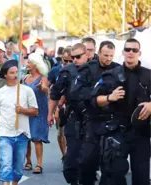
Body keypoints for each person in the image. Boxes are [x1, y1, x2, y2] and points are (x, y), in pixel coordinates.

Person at [91, 38, 151, 185]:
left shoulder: (148, 75)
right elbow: (94, 99)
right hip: (116, 132)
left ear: (139, 53)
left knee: (142, 179)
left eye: (134, 50)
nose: (131, 53)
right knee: (114, 176)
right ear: (123, 52)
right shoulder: (110, 75)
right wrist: (109, 97)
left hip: (141, 132)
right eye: (128, 49)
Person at [74, 41, 120, 185]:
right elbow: (76, 92)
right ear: (98, 53)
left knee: (111, 163)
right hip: (92, 120)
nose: (108, 58)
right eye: (105, 55)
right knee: (87, 161)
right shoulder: (88, 69)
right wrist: (95, 96)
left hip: (112, 121)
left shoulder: (119, 70)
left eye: (111, 56)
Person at [0, 60, 38, 185]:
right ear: (5, 75)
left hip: (22, 134)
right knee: (6, 164)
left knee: (18, 169)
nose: (15, 75)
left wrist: (22, 110)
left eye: (16, 72)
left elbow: (35, 111)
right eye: (12, 73)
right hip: (5, 134)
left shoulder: (27, 91)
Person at [48, 43, 88, 185]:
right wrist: (50, 114)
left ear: (86, 55)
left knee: (89, 160)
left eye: (78, 57)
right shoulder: (66, 72)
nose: (75, 60)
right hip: (74, 117)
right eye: (73, 57)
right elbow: (55, 93)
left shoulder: (96, 70)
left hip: (92, 119)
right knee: (70, 164)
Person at [23, 52, 50, 174]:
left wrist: (41, 88)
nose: (27, 64)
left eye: (29, 62)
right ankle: (28, 162)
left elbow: (46, 89)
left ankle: (39, 164)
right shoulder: (24, 78)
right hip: (26, 110)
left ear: (35, 64)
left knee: (36, 138)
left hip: (39, 110)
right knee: (26, 138)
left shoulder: (43, 78)